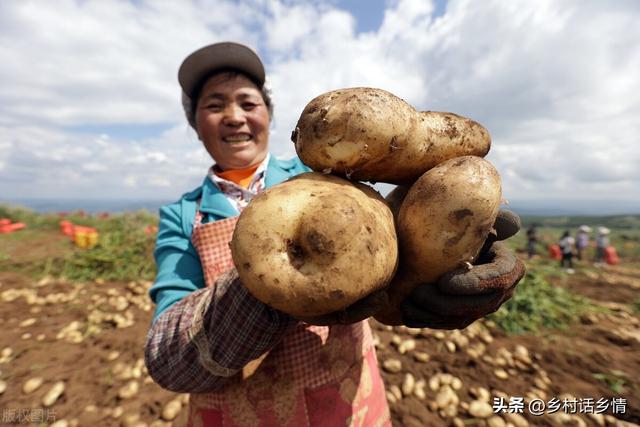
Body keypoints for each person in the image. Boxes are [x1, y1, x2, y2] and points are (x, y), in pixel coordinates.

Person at [144, 41, 526, 427]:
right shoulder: (181, 216)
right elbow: (165, 360)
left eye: (247, 102)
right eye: (214, 105)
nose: (233, 116)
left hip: (350, 411)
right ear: (195, 124)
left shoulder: (339, 171)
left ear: (268, 114)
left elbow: (406, 239)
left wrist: (452, 254)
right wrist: (263, 292)